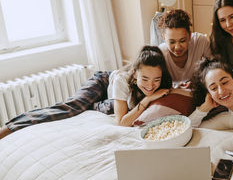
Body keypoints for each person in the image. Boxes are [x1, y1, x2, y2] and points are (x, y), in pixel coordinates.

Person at [0, 46, 173, 138]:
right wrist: (147, 100)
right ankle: (7, 129)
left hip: (111, 100)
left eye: (156, 80)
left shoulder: (163, 82)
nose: (151, 86)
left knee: (110, 107)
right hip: (102, 83)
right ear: (135, 74)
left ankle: (93, 106)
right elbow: (121, 123)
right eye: (145, 79)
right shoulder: (123, 79)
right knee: (70, 108)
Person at [158, 9, 211, 88]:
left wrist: (197, 82)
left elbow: (213, 69)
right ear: (163, 37)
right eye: (172, 42)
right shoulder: (160, 53)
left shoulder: (201, 42)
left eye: (182, 40)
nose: (177, 47)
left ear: (190, 35)